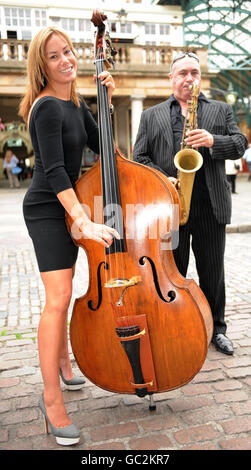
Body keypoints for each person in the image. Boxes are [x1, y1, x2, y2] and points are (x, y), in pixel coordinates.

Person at [18, 26, 119, 446]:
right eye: (55, 56)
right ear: (42, 66)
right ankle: (51, 398)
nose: (67, 60)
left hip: (68, 206)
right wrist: (85, 221)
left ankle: (63, 363)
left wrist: (108, 101)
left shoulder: (76, 104)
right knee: (58, 298)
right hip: (47, 206)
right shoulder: (45, 107)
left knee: (64, 291)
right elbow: (56, 171)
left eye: (69, 52)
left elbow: (104, 148)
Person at [133, 51, 247, 357]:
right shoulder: (151, 115)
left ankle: (217, 329)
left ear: (201, 78)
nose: (189, 78)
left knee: (213, 271)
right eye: (182, 73)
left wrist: (212, 140)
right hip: (169, 208)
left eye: (194, 73)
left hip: (210, 206)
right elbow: (139, 159)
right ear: (171, 78)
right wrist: (162, 179)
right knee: (172, 271)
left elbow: (240, 144)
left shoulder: (220, 111)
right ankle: (174, 325)